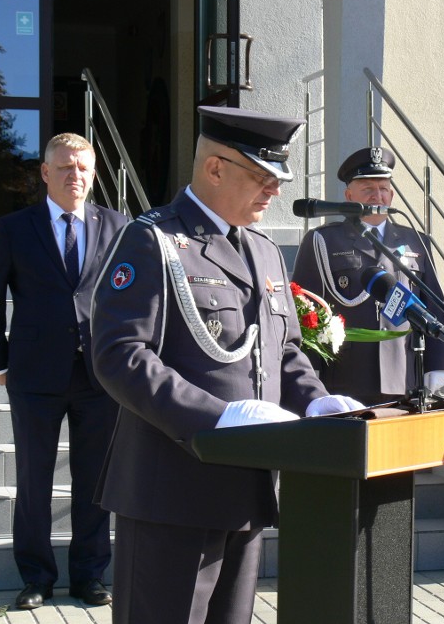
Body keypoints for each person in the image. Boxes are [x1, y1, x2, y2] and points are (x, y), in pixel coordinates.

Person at [90, 106, 363, 624]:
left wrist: (316, 398)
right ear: (215, 169)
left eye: (278, 178)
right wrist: (215, 416)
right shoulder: (153, 241)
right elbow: (120, 356)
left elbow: (282, 349)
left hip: (245, 493)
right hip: (171, 490)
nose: (274, 190)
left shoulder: (263, 250)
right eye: (262, 176)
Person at [0, 133, 128, 609]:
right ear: (44, 173)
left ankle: (89, 576)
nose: (73, 176)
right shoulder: (15, 228)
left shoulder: (118, 226)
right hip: (33, 376)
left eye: (82, 168)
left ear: (94, 173)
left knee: (95, 482)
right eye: (63, 167)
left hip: (98, 377)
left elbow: (133, 298)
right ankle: (36, 578)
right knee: (33, 481)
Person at [291, 147, 444, 405]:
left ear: (392, 194)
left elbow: (433, 302)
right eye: (368, 189)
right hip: (346, 374)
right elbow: (304, 310)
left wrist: (439, 362)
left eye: (384, 188)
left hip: (404, 373)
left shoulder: (415, 241)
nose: (378, 196)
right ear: (348, 195)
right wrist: (310, 370)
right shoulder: (323, 240)